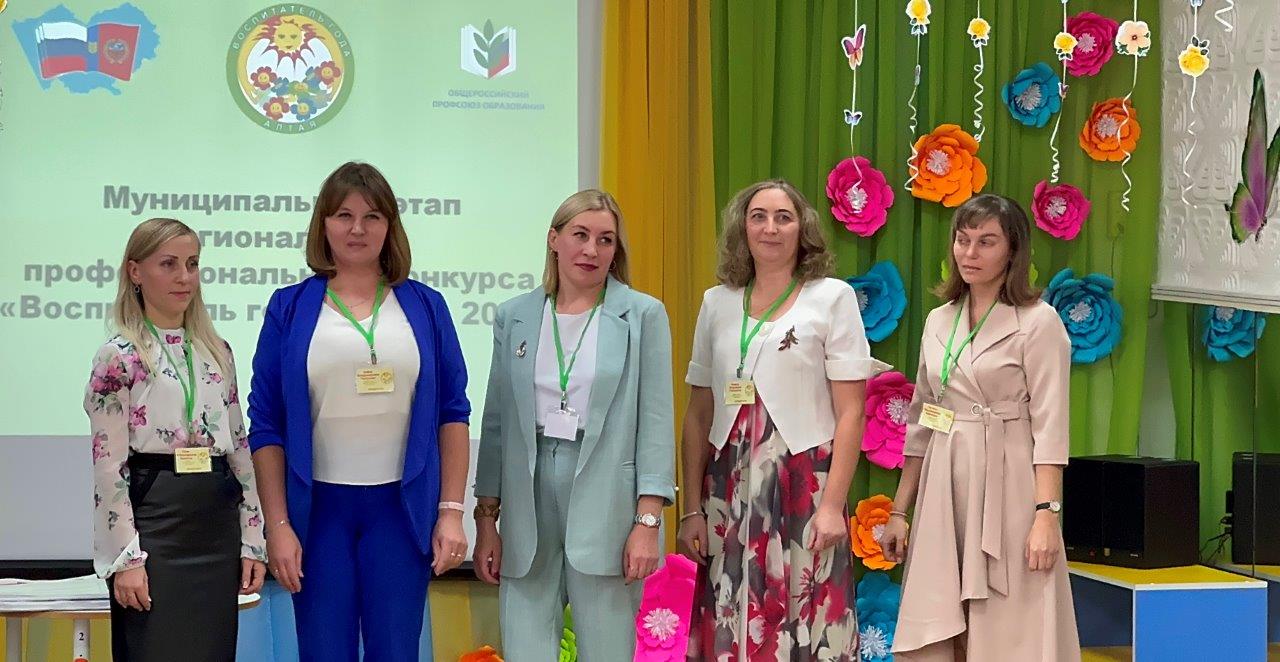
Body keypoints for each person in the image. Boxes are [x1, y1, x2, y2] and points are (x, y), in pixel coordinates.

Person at [247, 162, 471, 661]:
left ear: (390, 226)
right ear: (323, 224)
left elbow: (452, 413)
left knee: (396, 651)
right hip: (318, 514)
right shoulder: (288, 307)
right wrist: (277, 525)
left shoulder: (427, 307)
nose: (357, 229)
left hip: (400, 512)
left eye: (372, 216)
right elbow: (266, 424)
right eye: (343, 215)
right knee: (324, 651)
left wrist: (451, 513)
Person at [678, 179, 888, 660]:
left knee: (803, 607)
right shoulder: (716, 302)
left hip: (803, 483)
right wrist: (691, 508)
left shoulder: (832, 297)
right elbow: (698, 412)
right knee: (729, 607)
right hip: (727, 484)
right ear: (742, 228)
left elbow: (851, 411)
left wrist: (832, 505)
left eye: (783, 217)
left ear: (802, 229)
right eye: (758, 216)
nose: (770, 228)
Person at [472, 189, 675, 660]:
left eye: (605, 240)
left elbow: (656, 420)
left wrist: (647, 521)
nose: (591, 250)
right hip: (528, 495)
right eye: (580, 235)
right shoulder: (514, 316)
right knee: (525, 647)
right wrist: (486, 520)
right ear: (554, 239)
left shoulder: (642, 315)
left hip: (608, 497)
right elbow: (496, 422)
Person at [881, 194, 1081, 661]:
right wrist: (899, 511)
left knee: (1011, 622)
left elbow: (1051, 427)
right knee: (940, 615)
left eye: (986, 242)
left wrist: (1046, 515)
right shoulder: (938, 320)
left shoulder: (1039, 322)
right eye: (962, 240)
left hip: (1010, 483)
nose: (969, 253)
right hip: (944, 482)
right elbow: (922, 420)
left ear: (1013, 250)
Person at [85, 217, 266, 661]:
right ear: (135, 271)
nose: (184, 277)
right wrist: (126, 558)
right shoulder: (119, 356)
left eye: (192, 264)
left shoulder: (217, 350)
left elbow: (239, 447)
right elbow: (109, 466)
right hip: (156, 524)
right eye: (168, 264)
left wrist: (253, 538)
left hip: (215, 526)